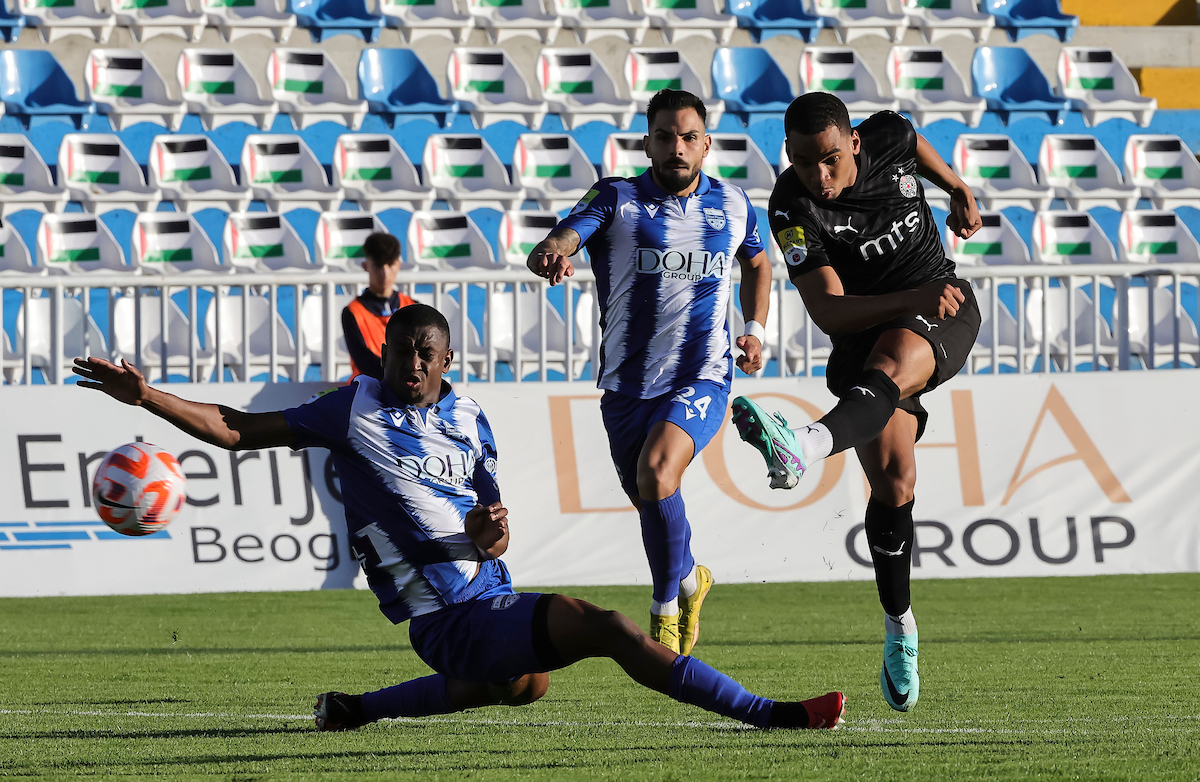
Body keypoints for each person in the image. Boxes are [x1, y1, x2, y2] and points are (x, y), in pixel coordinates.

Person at [71, 304, 845, 733]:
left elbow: (493, 525)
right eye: (399, 351)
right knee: (607, 625)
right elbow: (238, 429)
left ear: (445, 363)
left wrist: (490, 534)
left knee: (525, 687)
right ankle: (770, 714)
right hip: (443, 616)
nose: (409, 364)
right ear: (382, 354)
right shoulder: (352, 410)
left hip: (486, 589)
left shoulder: (470, 419)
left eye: (424, 354)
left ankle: (356, 711)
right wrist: (147, 398)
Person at [732, 94, 983, 713]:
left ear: (855, 143)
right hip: (861, 331)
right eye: (802, 161)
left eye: (830, 160)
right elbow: (827, 310)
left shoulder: (889, 135)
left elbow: (913, 140)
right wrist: (906, 301)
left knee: (894, 361)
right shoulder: (791, 205)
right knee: (894, 484)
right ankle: (900, 625)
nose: (819, 176)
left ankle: (804, 444)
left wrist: (957, 188)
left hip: (941, 304)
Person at [526, 90, 774, 657]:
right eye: (664, 136)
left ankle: (663, 614)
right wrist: (551, 250)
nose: (676, 147)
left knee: (658, 472)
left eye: (688, 137)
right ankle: (689, 579)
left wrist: (756, 330)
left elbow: (758, 262)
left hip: (702, 374)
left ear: (706, 145)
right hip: (626, 385)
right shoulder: (616, 198)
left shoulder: (734, 204)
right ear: (647, 144)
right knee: (650, 499)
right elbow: (568, 233)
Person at [342, 232, 415, 381]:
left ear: (398, 265)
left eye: (390, 264)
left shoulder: (413, 307)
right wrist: (401, 376)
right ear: (365, 266)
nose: (384, 273)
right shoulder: (352, 312)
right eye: (378, 265)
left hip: (406, 385)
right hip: (366, 387)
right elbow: (364, 361)